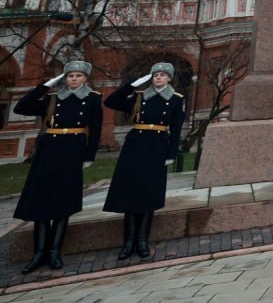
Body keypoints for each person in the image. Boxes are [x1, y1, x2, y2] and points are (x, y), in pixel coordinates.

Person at [14, 61, 102, 273]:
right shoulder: (52, 98)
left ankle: (54, 252)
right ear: (65, 78)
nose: (73, 79)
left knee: (63, 204)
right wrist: (45, 86)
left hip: (72, 152)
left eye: (78, 76)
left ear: (85, 79)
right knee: (41, 204)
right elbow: (21, 107)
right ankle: (38, 253)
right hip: (48, 153)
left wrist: (89, 156)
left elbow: (96, 130)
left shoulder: (92, 99)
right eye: (70, 75)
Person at [104, 62, 184, 260]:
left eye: (162, 75)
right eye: (155, 74)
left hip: (157, 147)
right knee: (130, 194)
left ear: (169, 78)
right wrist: (131, 85)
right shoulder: (139, 97)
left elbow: (176, 130)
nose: (158, 78)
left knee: (148, 195)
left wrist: (171, 154)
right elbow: (112, 102)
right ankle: (128, 241)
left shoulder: (175, 100)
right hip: (135, 146)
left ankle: (142, 240)